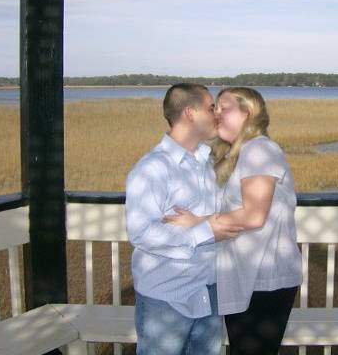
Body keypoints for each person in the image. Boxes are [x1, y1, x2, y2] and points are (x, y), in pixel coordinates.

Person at [165, 86, 303, 355]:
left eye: (224, 107)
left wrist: (196, 222)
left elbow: (254, 215)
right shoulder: (239, 153)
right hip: (249, 276)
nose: (216, 112)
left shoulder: (260, 149)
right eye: (214, 107)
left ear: (248, 112)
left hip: (265, 279)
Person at [125, 83, 243, 355]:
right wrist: (205, 231)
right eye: (211, 107)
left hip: (208, 291)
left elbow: (224, 215)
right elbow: (141, 232)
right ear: (190, 113)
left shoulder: (208, 162)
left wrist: (205, 223)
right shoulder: (152, 169)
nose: (217, 114)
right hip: (167, 297)